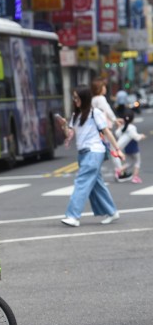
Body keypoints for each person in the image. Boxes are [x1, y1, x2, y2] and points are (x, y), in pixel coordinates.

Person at [58, 85, 125, 227]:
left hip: (94, 152)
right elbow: (69, 135)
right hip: (83, 154)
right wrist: (64, 125)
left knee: (81, 182)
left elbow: (107, 132)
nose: (75, 100)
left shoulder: (96, 113)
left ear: (84, 98)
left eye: (77, 97)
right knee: (97, 185)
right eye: (74, 97)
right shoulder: (75, 116)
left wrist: (118, 149)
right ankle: (112, 212)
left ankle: (73, 216)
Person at [91, 78, 124, 178]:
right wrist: (115, 119)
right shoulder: (101, 98)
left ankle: (95, 171)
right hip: (104, 126)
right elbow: (107, 110)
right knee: (113, 149)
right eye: (103, 86)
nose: (105, 88)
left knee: (101, 149)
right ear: (99, 88)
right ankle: (119, 172)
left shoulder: (93, 99)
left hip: (97, 127)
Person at [114, 110, 146, 184]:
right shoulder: (131, 127)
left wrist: (119, 127)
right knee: (137, 161)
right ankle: (135, 177)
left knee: (130, 162)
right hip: (133, 147)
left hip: (127, 148)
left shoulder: (122, 127)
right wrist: (142, 136)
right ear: (133, 119)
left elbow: (117, 134)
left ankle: (119, 170)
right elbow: (136, 137)